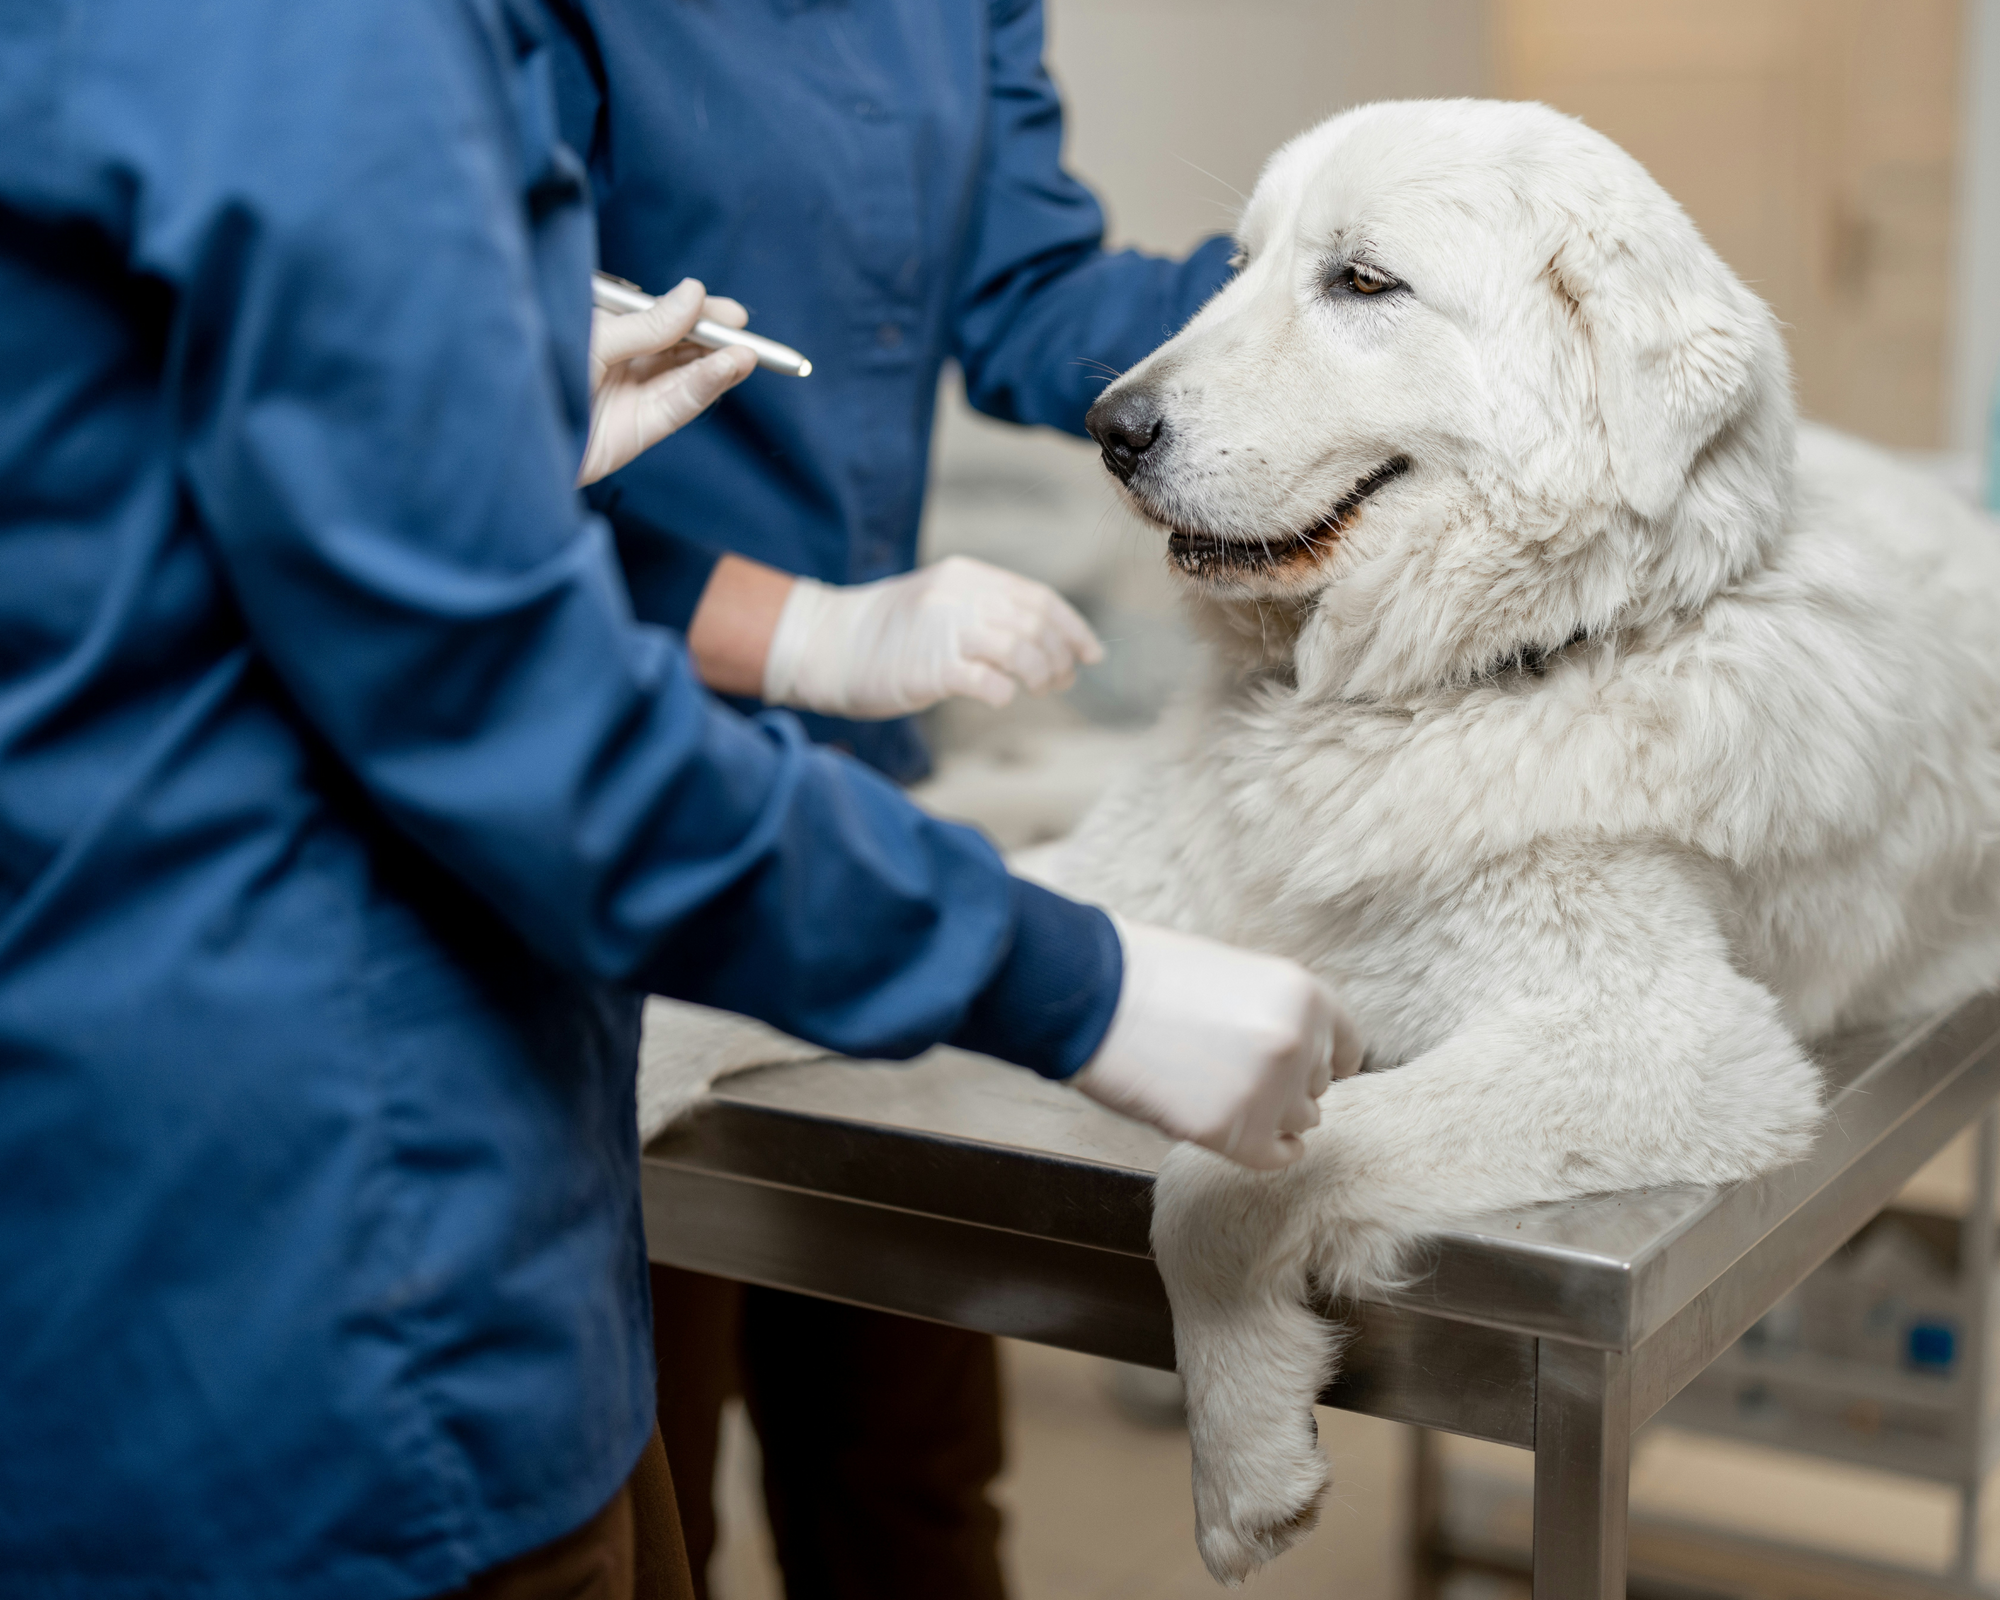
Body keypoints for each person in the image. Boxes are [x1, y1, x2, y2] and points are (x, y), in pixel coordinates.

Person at [0, 5, 1357, 1599]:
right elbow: (488, 688)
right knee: (663, 1494)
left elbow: (247, 480)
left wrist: (1343, 295)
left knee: (893, 1482)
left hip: (419, 1087)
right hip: (342, 1198)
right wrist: (1078, 980)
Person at [543, 5, 1239, 1593]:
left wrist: (1310, 289)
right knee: (655, 1496)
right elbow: (447, 461)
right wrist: (804, 628)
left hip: (858, 799)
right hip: (607, 801)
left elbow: (1026, 294)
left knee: (911, 1482)